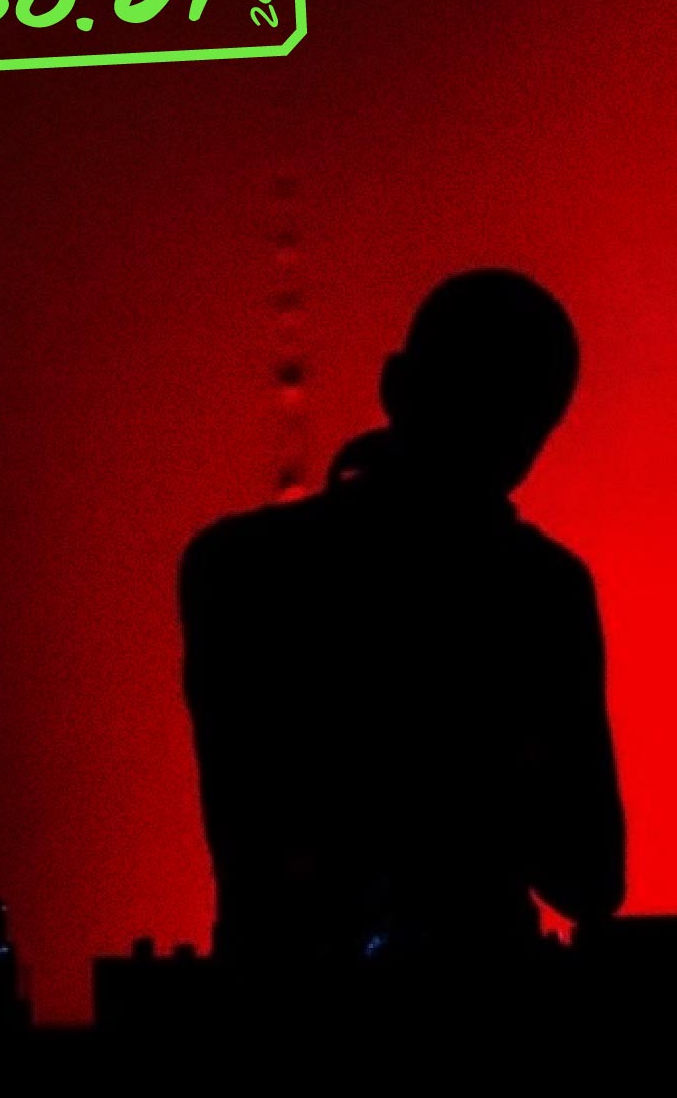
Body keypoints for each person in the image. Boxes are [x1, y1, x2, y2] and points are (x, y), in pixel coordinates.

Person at [179, 270, 625, 972]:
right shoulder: (544, 592)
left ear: (396, 387)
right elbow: (589, 879)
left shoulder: (236, 570)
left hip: (281, 1003)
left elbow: (257, 837)